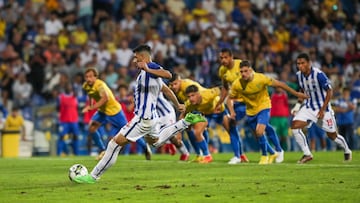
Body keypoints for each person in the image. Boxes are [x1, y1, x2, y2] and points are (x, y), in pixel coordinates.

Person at [74, 44, 206, 184]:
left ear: (143, 57)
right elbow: (166, 90)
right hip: (152, 118)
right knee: (155, 142)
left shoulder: (151, 68)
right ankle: (185, 122)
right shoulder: (147, 73)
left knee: (114, 144)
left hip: (143, 118)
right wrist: (177, 104)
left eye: (136, 58)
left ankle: (93, 176)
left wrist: (148, 68)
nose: (134, 61)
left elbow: (168, 75)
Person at [226, 60, 308, 164]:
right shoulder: (237, 84)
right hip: (251, 111)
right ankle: (276, 151)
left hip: (264, 107)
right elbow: (229, 99)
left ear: (251, 70)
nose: (243, 74)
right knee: (262, 132)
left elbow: (280, 84)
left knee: (259, 131)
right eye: (241, 71)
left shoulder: (261, 78)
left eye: (245, 71)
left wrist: (296, 94)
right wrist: (232, 112)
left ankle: (265, 155)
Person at [216, 48, 283, 163]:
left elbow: (255, 79)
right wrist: (220, 102)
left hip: (247, 102)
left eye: (225, 57)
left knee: (260, 128)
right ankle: (239, 155)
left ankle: (274, 151)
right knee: (230, 123)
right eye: (221, 58)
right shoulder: (222, 70)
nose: (223, 60)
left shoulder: (241, 66)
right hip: (235, 103)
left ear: (232, 57)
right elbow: (225, 88)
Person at [290, 53, 352, 164]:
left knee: (332, 136)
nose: (300, 66)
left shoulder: (318, 74)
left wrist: (323, 109)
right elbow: (302, 91)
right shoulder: (299, 75)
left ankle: (347, 150)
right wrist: (297, 106)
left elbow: (329, 91)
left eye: (303, 63)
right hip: (309, 107)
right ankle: (307, 154)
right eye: (298, 63)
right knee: (294, 126)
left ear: (309, 63)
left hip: (323, 109)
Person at [185, 84, 248, 164]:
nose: (191, 98)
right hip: (206, 114)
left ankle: (240, 155)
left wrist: (220, 102)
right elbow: (184, 114)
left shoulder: (208, 94)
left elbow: (224, 88)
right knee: (197, 132)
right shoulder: (189, 104)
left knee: (232, 131)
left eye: (193, 95)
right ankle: (207, 156)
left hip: (220, 111)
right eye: (189, 96)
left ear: (198, 94)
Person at [81, 67, 134, 161]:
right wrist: (89, 105)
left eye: (90, 76)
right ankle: (102, 150)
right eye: (86, 77)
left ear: (95, 77)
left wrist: (91, 107)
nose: (88, 79)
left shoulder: (100, 85)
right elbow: (90, 94)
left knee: (128, 131)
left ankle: (145, 147)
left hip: (114, 111)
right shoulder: (86, 85)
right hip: (103, 111)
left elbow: (105, 98)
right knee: (92, 128)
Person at [168, 73, 212, 162]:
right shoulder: (173, 90)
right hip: (190, 108)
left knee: (198, 130)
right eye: (171, 85)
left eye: (175, 84)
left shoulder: (187, 86)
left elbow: (200, 95)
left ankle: (205, 154)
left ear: (180, 80)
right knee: (188, 128)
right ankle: (199, 154)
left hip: (201, 106)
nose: (173, 86)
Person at [56, 83, 80, 156]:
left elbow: (77, 108)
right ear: (65, 88)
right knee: (62, 136)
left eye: (70, 87)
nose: (69, 88)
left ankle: (76, 153)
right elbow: (57, 107)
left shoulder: (75, 96)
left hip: (74, 120)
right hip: (64, 121)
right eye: (67, 86)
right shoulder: (61, 97)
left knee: (75, 136)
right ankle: (59, 153)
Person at [270, 86, 290, 151]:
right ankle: (272, 149)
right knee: (273, 134)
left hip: (283, 118)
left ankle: (285, 149)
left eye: (280, 88)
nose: (279, 89)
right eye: (277, 88)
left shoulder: (285, 96)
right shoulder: (272, 95)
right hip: (274, 118)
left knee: (284, 135)